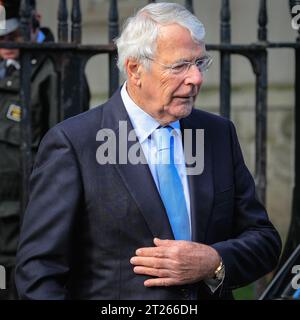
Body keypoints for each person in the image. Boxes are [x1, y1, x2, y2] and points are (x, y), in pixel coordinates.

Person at [15, 2, 281, 300]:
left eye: (200, 63)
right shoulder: (75, 144)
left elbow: (265, 241)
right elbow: (38, 274)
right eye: (180, 66)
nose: (196, 79)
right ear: (135, 69)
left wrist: (213, 261)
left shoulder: (218, 134)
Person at [0, 0, 58, 300]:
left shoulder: (52, 68)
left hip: (26, 215)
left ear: (34, 21)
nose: (6, 44)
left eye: (13, 35)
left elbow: (62, 153)